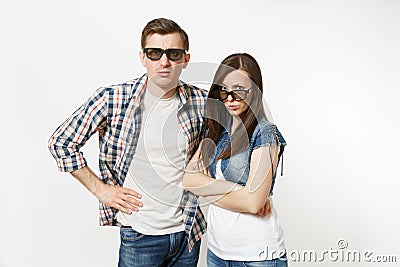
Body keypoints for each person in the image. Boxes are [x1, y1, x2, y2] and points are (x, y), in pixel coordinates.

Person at [48, 18, 207, 266]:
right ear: (143, 57)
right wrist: (101, 190)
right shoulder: (114, 99)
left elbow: (235, 132)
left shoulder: (201, 101)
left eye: (173, 53)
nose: (164, 62)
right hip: (140, 235)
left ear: (186, 59)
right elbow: (61, 142)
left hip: (188, 232)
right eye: (155, 53)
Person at [183, 53, 288, 266]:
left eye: (239, 90)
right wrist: (242, 193)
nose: (230, 98)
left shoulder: (265, 133)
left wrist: (207, 189)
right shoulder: (216, 131)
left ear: (255, 91)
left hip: (257, 256)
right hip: (217, 252)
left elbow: (252, 203)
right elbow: (188, 180)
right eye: (225, 90)